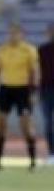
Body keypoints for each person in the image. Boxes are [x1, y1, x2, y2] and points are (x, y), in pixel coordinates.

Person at [0, 23, 40, 170]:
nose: (13, 36)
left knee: (25, 125)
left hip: (23, 89)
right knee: (1, 124)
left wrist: (34, 91)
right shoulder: (2, 50)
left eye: (16, 33)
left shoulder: (29, 50)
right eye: (11, 33)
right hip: (5, 89)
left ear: (22, 35)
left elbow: (35, 71)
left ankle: (33, 161)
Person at [39, 23, 54, 166]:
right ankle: (52, 153)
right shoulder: (41, 50)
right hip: (46, 90)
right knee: (49, 123)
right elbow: (37, 71)